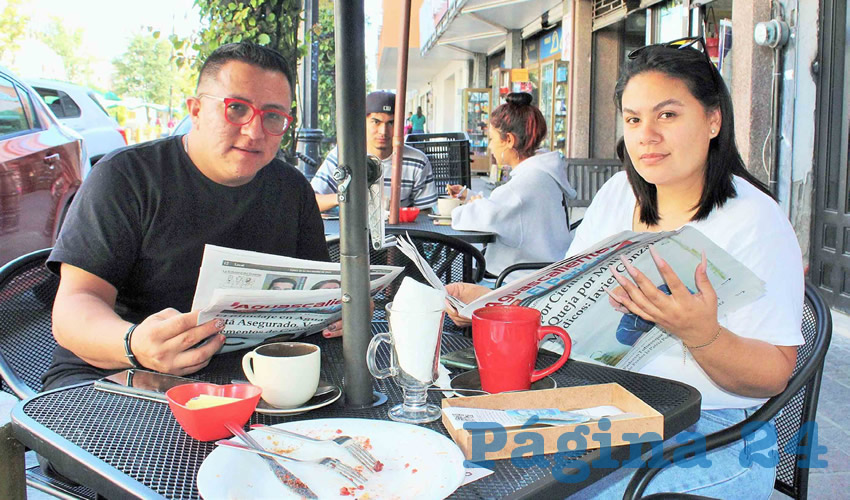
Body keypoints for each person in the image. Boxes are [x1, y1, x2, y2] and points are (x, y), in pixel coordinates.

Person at [446, 37, 802, 498]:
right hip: (601, 406)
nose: (646, 135)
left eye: (667, 115)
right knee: (464, 460)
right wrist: (499, 305)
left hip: (712, 433)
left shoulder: (754, 218)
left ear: (713, 119)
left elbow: (773, 376)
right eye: (634, 119)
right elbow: (571, 294)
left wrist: (702, 334)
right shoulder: (620, 193)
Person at [44, 42, 334, 391]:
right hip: (118, 377)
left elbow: (321, 295)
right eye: (236, 109)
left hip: (250, 379)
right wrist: (134, 343)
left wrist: (342, 310)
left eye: (272, 116)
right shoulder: (127, 177)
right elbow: (74, 307)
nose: (254, 131)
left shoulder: (292, 188)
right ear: (195, 111)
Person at [446, 92, 576, 278]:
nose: (490, 146)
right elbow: (509, 211)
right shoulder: (543, 174)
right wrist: (469, 196)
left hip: (516, 280)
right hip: (547, 271)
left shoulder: (523, 184)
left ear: (509, 140)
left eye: (492, 138)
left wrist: (466, 205)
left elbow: (466, 218)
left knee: (453, 290)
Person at [311, 91, 437, 213]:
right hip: (353, 233)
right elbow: (312, 201)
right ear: (362, 123)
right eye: (376, 122)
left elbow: (425, 211)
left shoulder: (418, 161)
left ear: (401, 125)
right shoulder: (344, 156)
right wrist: (344, 197)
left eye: (391, 123)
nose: (383, 131)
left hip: (400, 233)